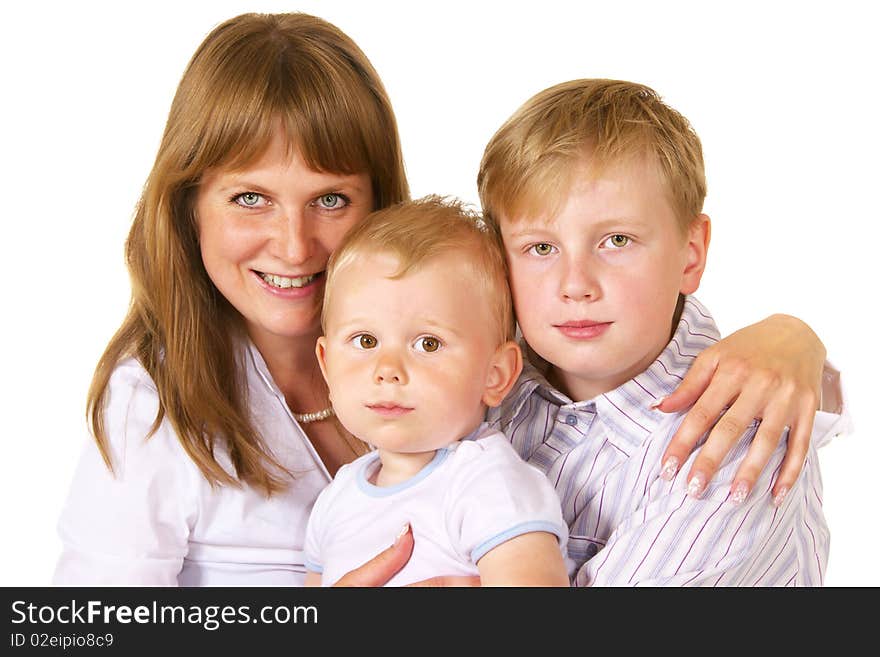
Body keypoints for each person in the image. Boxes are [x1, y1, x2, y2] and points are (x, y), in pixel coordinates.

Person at [52, 13, 839, 587]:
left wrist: (792, 336)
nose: (293, 245)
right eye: (249, 199)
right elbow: (78, 629)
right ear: (190, 207)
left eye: (330, 200)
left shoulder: (491, 357)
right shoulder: (155, 402)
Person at [477, 78, 848, 585]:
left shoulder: (735, 447)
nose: (576, 285)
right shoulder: (494, 385)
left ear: (690, 253)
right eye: (540, 248)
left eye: (616, 239)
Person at [303, 197, 570, 587]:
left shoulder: (488, 483)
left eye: (428, 344)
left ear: (495, 375)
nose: (388, 371)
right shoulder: (336, 498)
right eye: (364, 341)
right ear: (327, 366)